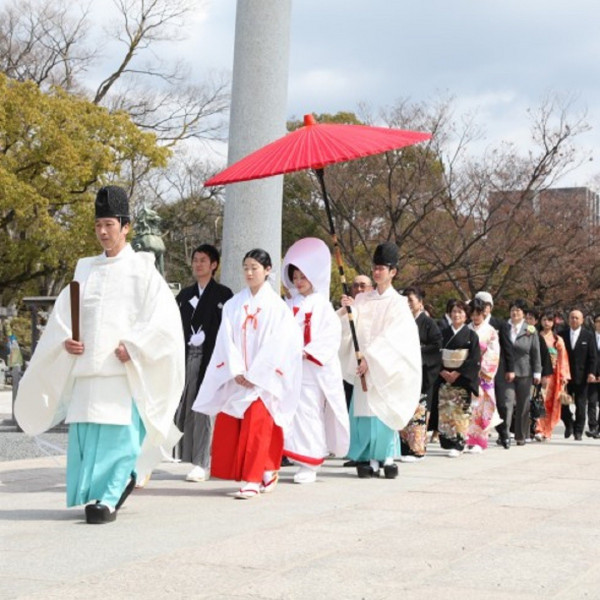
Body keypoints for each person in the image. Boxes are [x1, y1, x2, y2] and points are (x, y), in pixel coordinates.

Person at [15, 186, 185, 523]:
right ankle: (98, 493)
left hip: (122, 374)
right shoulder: (85, 270)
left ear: (126, 226)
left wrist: (134, 346)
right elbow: (65, 315)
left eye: (109, 224)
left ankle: (111, 495)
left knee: (118, 437)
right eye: (98, 226)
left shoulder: (143, 271)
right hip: (86, 371)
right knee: (88, 436)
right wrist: (67, 342)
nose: (103, 232)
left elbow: (162, 320)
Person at [192, 249, 302, 499]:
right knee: (239, 427)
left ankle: (253, 479)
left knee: (259, 427)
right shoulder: (233, 305)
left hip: (263, 379)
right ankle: (268, 469)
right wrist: (237, 370)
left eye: (255, 268)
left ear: (268, 270)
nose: (250, 273)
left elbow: (280, 344)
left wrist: (256, 373)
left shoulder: (277, 308)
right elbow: (224, 340)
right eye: (246, 268)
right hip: (238, 376)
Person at [339, 242, 421, 479]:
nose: (377, 272)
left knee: (383, 408)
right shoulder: (363, 299)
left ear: (393, 271)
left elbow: (395, 338)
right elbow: (351, 330)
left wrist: (371, 358)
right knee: (364, 412)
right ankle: (367, 456)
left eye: (382, 268)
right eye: (375, 267)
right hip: (363, 365)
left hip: (385, 368)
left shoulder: (398, 303)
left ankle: (385, 455)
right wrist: (347, 312)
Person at [281, 238, 350, 483]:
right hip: (290, 369)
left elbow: (330, 337)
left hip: (311, 369)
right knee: (289, 411)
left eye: (303, 276)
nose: (298, 281)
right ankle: (293, 455)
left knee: (308, 412)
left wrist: (307, 352)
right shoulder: (289, 304)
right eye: (295, 276)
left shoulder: (321, 305)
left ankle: (310, 461)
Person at [175, 244, 233, 483]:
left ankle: (203, 462)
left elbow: (226, 330)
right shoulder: (185, 295)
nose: (198, 264)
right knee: (184, 407)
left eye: (203, 260)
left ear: (214, 265)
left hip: (211, 358)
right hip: (186, 355)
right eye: (195, 260)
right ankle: (187, 456)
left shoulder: (223, 295)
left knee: (205, 409)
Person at [399, 286, 442, 462]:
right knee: (403, 410)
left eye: (411, 300)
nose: (408, 304)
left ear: (420, 303)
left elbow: (436, 345)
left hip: (421, 372)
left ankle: (417, 449)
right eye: (405, 301)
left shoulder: (428, 323)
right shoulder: (400, 321)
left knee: (418, 411)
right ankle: (403, 447)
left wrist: (418, 351)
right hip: (403, 372)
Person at [434, 300, 481, 457]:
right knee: (446, 411)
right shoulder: (442, 333)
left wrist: (458, 372)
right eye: (453, 311)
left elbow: (474, 358)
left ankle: (459, 442)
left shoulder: (471, 335)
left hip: (461, 379)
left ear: (466, 315)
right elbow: (435, 354)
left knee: (460, 411)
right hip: (444, 377)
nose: (456, 315)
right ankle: (448, 441)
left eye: (460, 312)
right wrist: (442, 370)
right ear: (449, 314)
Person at [474, 291, 515, 450]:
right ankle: (477, 435)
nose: (483, 309)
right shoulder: (471, 325)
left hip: (496, 369)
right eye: (479, 305)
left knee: (500, 402)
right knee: (478, 404)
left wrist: (510, 369)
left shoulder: (500, 324)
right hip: (477, 371)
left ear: (490, 307)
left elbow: (507, 347)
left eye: (485, 305)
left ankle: (504, 433)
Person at [505, 299, 542, 446]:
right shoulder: (504, 327)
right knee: (506, 403)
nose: (515, 313)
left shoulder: (530, 330)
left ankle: (520, 435)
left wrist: (537, 372)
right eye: (513, 310)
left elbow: (535, 352)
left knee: (523, 405)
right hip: (507, 372)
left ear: (524, 314)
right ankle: (505, 434)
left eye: (518, 311)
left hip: (525, 372)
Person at [466, 298, 500, 453]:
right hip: (468, 372)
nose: (475, 317)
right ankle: (467, 439)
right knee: (468, 408)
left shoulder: (491, 331)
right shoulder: (466, 329)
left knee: (483, 408)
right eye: (472, 313)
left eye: (478, 313)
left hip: (483, 374)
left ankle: (480, 441)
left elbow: (494, 353)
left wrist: (482, 368)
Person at [559, 309, 597, 440]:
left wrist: (592, 372)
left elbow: (593, 357)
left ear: (581, 320)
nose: (574, 320)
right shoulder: (561, 335)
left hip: (582, 377)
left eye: (577, 318)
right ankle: (569, 423)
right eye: (572, 317)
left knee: (581, 405)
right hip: (565, 376)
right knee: (562, 404)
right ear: (568, 319)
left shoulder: (588, 336)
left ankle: (578, 431)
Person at [535, 312, 571, 441]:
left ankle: (548, 430)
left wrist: (563, 375)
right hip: (538, 371)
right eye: (544, 320)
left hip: (554, 374)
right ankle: (538, 428)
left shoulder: (557, 339)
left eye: (549, 320)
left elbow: (563, 358)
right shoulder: (536, 336)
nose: (546, 323)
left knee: (551, 403)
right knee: (539, 400)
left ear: (553, 322)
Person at [585, 314, 600, 438]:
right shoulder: (589, 337)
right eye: (598, 321)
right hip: (591, 375)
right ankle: (592, 426)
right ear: (594, 323)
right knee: (591, 402)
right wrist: (591, 373)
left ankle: (598, 428)